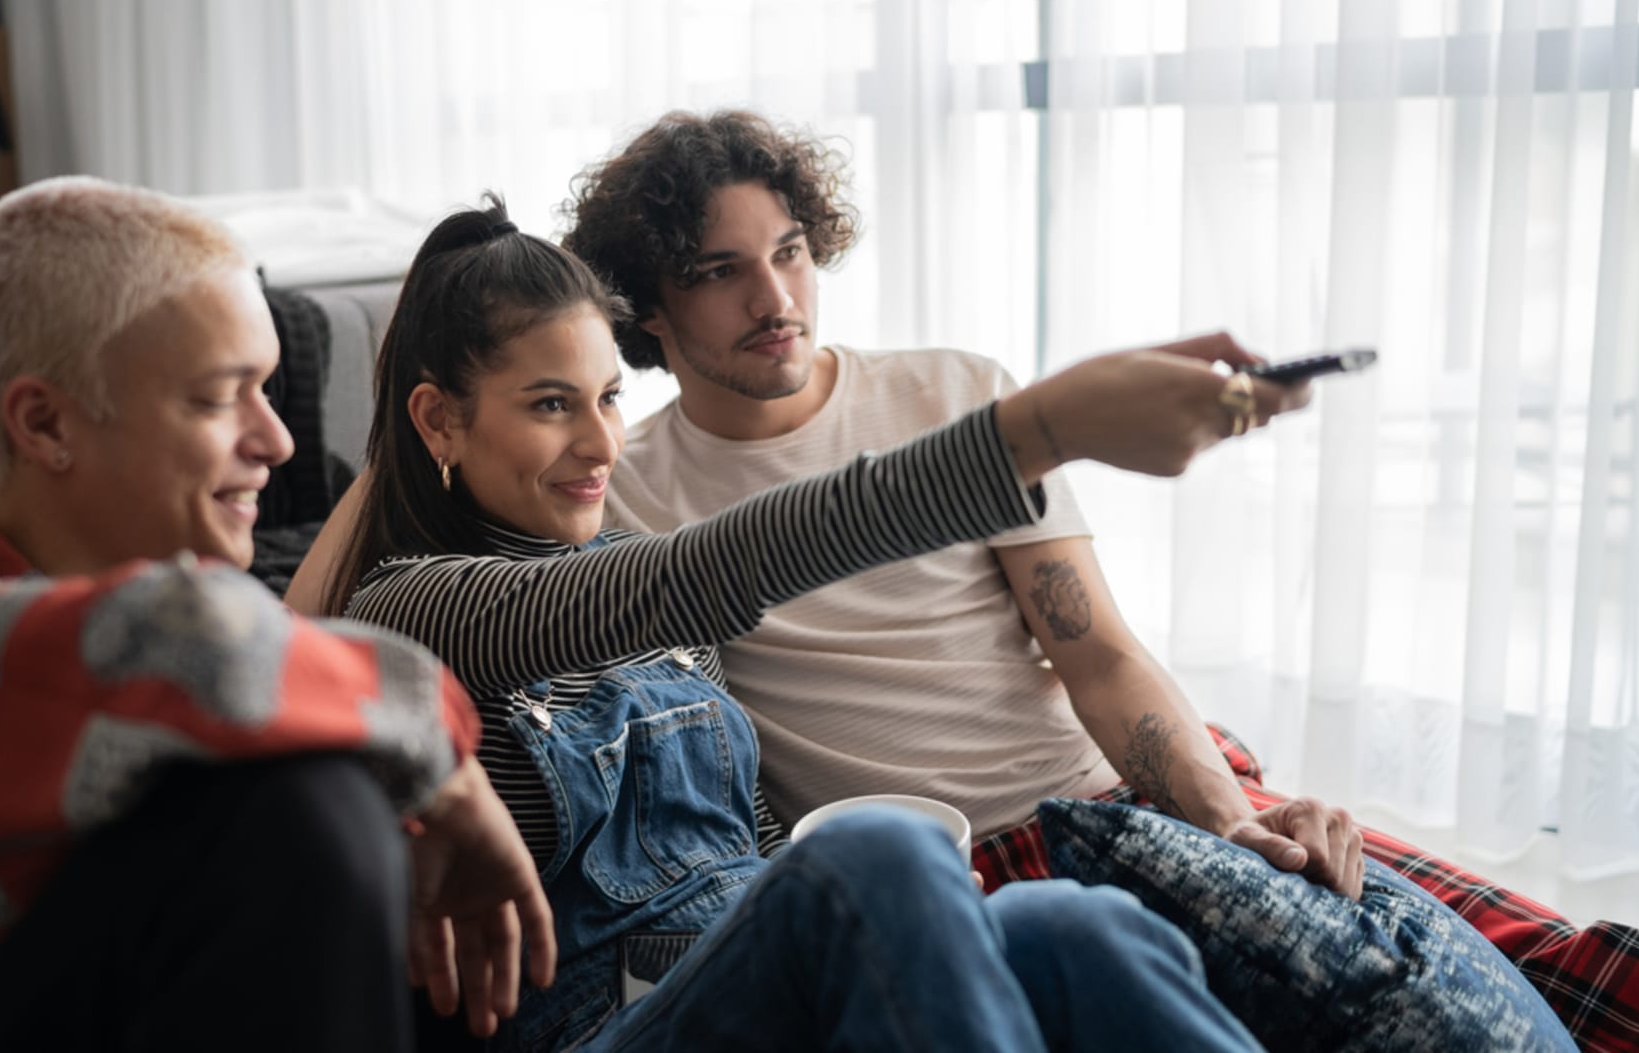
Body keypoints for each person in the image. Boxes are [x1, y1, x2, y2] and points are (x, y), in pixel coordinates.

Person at [551, 108, 1639, 1049]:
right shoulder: (624, 491)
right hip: (955, 872)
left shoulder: (954, 392)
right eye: (718, 270)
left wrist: (1233, 825)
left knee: (1562, 960)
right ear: (646, 307)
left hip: (1130, 790)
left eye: (789, 251)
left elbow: (1099, 651)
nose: (774, 293)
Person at [321, 194, 1292, 1052]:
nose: (600, 442)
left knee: (1074, 927)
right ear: (439, 421)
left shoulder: (634, 581)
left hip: (756, 975)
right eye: (549, 404)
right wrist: (1044, 427)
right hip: (599, 1023)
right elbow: (704, 571)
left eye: (611, 397)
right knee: (877, 851)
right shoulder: (419, 605)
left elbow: (749, 846)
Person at [0, 177, 554, 1053]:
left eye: (270, 391)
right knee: (308, 810)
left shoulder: (246, 683)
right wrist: (437, 755)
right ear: (45, 421)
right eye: (223, 397)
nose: (279, 443)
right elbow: (198, 641)